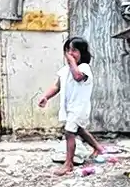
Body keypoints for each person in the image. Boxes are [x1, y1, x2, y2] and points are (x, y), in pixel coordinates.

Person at [38, 36, 107, 175]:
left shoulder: (84, 68)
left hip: (79, 107)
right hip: (69, 107)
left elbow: (77, 76)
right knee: (79, 129)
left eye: (74, 50)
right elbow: (57, 86)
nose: (70, 53)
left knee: (69, 132)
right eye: (68, 50)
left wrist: (71, 62)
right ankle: (99, 148)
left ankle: (68, 164)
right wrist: (46, 96)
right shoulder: (64, 70)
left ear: (82, 53)